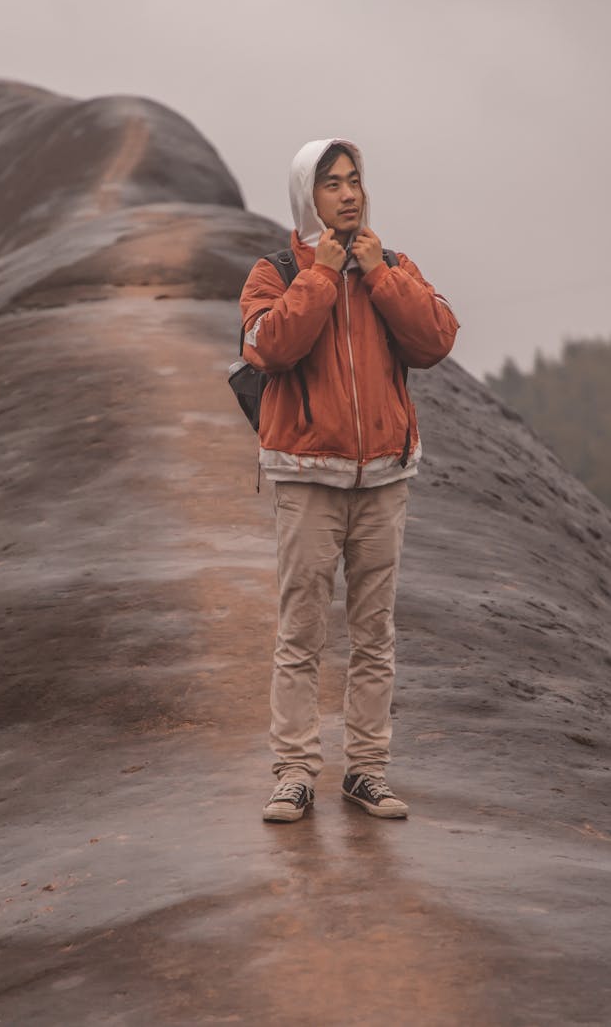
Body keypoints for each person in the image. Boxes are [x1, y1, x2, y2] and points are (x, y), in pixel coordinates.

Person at [239, 139, 458, 823]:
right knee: (301, 630)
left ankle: (366, 768)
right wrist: (323, 276)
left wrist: (378, 274)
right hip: (307, 476)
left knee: (374, 632)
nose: (347, 194)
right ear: (308, 195)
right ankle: (295, 771)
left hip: (384, 478)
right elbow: (270, 346)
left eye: (354, 180)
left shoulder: (390, 265)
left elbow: (437, 338)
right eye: (331, 183)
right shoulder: (273, 272)